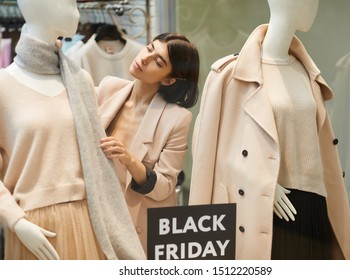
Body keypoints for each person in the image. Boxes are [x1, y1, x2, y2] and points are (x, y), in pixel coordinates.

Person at [189, 0, 350, 260]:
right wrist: (261, 181)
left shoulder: (306, 72)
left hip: (314, 206)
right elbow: (207, 155)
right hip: (262, 208)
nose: (316, 6)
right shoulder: (229, 75)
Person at [0, 0, 145, 260]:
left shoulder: (80, 80)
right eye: (67, 1)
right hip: (34, 229)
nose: (75, 8)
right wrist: (15, 220)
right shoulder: (3, 87)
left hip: (89, 219)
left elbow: (96, 161)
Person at [97, 32, 200, 254]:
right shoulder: (108, 88)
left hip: (134, 228)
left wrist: (129, 159)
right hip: (95, 216)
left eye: (158, 61)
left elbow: (165, 187)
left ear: (169, 79)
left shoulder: (177, 118)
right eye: (149, 48)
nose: (145, 58)